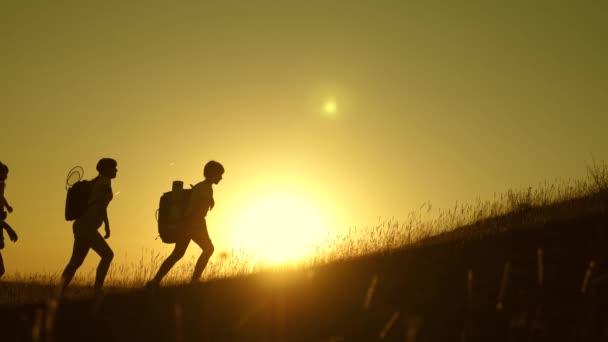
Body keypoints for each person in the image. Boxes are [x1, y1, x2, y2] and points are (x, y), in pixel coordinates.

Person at [147, 160, 224, 287]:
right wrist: (199, 226)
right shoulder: (205, 188)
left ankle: (154, 281)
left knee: (177, 254)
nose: (221, 178)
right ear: (212, 174)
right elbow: (199, 210)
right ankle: (194, 281)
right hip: (195, 223)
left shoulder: (201, 186)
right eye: (219, 174)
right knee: (209, 249)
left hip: (186, 224)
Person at [60, 158, 117, 293]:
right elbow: (102, 205)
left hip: (82, 225)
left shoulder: (97, 182)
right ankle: (96, 291)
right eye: (113, 167)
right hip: (87, 226)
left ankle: (58, 292)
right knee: (107, 255)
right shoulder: (104, 182)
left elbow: (99, 204)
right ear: (105, 169)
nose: (116, 170)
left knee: (75, 262)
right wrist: (107, 226)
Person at [0, 162, 18, 278]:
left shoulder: (2, 185)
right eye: (4, 173)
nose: (6, 176)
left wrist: (7, 206)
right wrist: (9, 229)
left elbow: (1, 196)